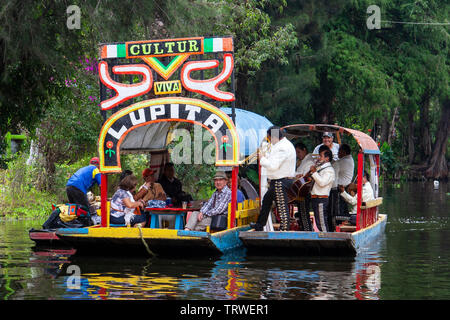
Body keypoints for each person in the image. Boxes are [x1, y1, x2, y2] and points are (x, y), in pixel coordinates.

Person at [252, 126, 296, 231]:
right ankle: (259, 225)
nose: (269, 140)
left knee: (281, 205)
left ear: (274, 137)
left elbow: (273, 166)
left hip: (281, 180)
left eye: (269, 138)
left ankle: (284, 229)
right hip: (277, 180)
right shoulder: (279, 145)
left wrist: (262, 158)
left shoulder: (283, 147)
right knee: (266, 201)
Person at [329, 144, 354, 230]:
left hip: (340, 188)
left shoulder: (343, 161)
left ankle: (338, 227)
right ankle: (341, 225)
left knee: (338, 211)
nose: (338, 153)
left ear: (344, 152)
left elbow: (331, 167)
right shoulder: (349, 159)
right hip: (343, 187)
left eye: (339, 151)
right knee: (343, 209)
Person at [309, 148, 335, 232]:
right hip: (316, 197)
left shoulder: (329, 170)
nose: (319, 158)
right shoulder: (321, 168)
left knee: (322, 222)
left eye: (321, 156)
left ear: (327, 158)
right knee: (319, 221)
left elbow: (322, 182)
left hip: (321, 199)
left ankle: (326, 239)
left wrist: (314, 173)